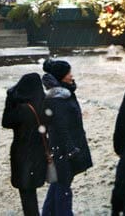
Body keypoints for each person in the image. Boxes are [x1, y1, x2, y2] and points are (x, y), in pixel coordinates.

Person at [41, 59, 92, 216]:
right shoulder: (59, 98)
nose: (72, 76)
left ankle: (48, 212)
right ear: (62, 76)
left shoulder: (65, 93)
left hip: (66, 146)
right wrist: (71, 149)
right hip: (64, 148)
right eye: (69, 73)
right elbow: (60, 127)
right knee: (63, 185)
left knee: (60, 183)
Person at [1, 72, 49, 216]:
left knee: (27, 195)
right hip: (40, 153)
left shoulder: (22, 109)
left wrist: (10, 100)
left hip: (22, 155)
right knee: (31, 192)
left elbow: (6, 122)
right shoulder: (44, 103)